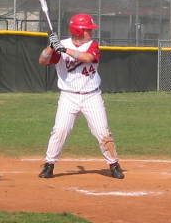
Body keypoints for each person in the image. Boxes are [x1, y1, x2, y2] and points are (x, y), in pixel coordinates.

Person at [38, 13, 124, 180]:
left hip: (92, 96)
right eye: (88, 30)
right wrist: (51, 47)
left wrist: (63, 49)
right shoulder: (60, 45)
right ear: (78, 31)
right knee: (60, 131)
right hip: (68, 97)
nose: (91, 32)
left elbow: (88, 57)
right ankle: (49, 164)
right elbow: (42, 60)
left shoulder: (92, 45)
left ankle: (113, 164)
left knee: (102, 132)